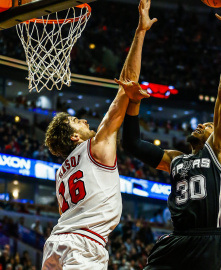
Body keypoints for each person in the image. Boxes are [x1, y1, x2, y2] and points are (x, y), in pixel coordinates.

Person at [117, 3, 221, 269]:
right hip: (175, 240)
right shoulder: (175, 160)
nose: (201, 125)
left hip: (209, 240)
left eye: (208, 125)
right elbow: (132, 143)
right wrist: (134, 104)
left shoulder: (218, 152)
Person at [41, 0, 156, 269]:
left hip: (56, 243)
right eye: (75, 122)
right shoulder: (95, 146)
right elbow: (125, 89)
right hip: (83, 244)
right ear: (74, 138)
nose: (82, 120)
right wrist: (140, 32)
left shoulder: (62, 172)